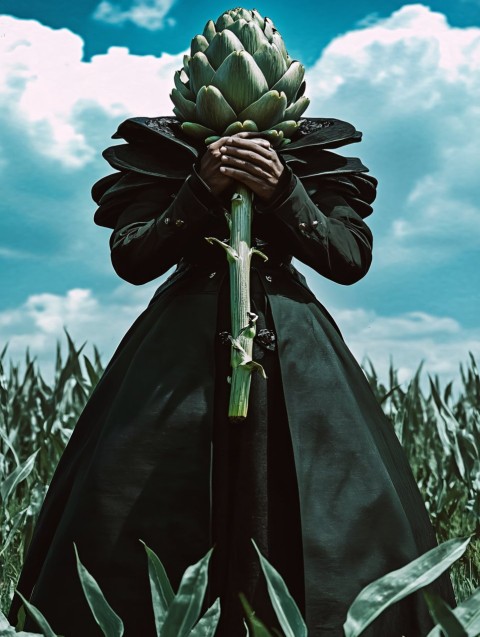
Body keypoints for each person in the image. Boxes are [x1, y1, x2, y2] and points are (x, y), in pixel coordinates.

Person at [9, 116, 455, 636]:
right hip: (176, 359)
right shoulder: (160, 150)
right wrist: (200, 188)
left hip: (296, 351)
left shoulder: (318, 151)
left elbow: (348, 258)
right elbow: (133, 257)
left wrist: (283, 189)